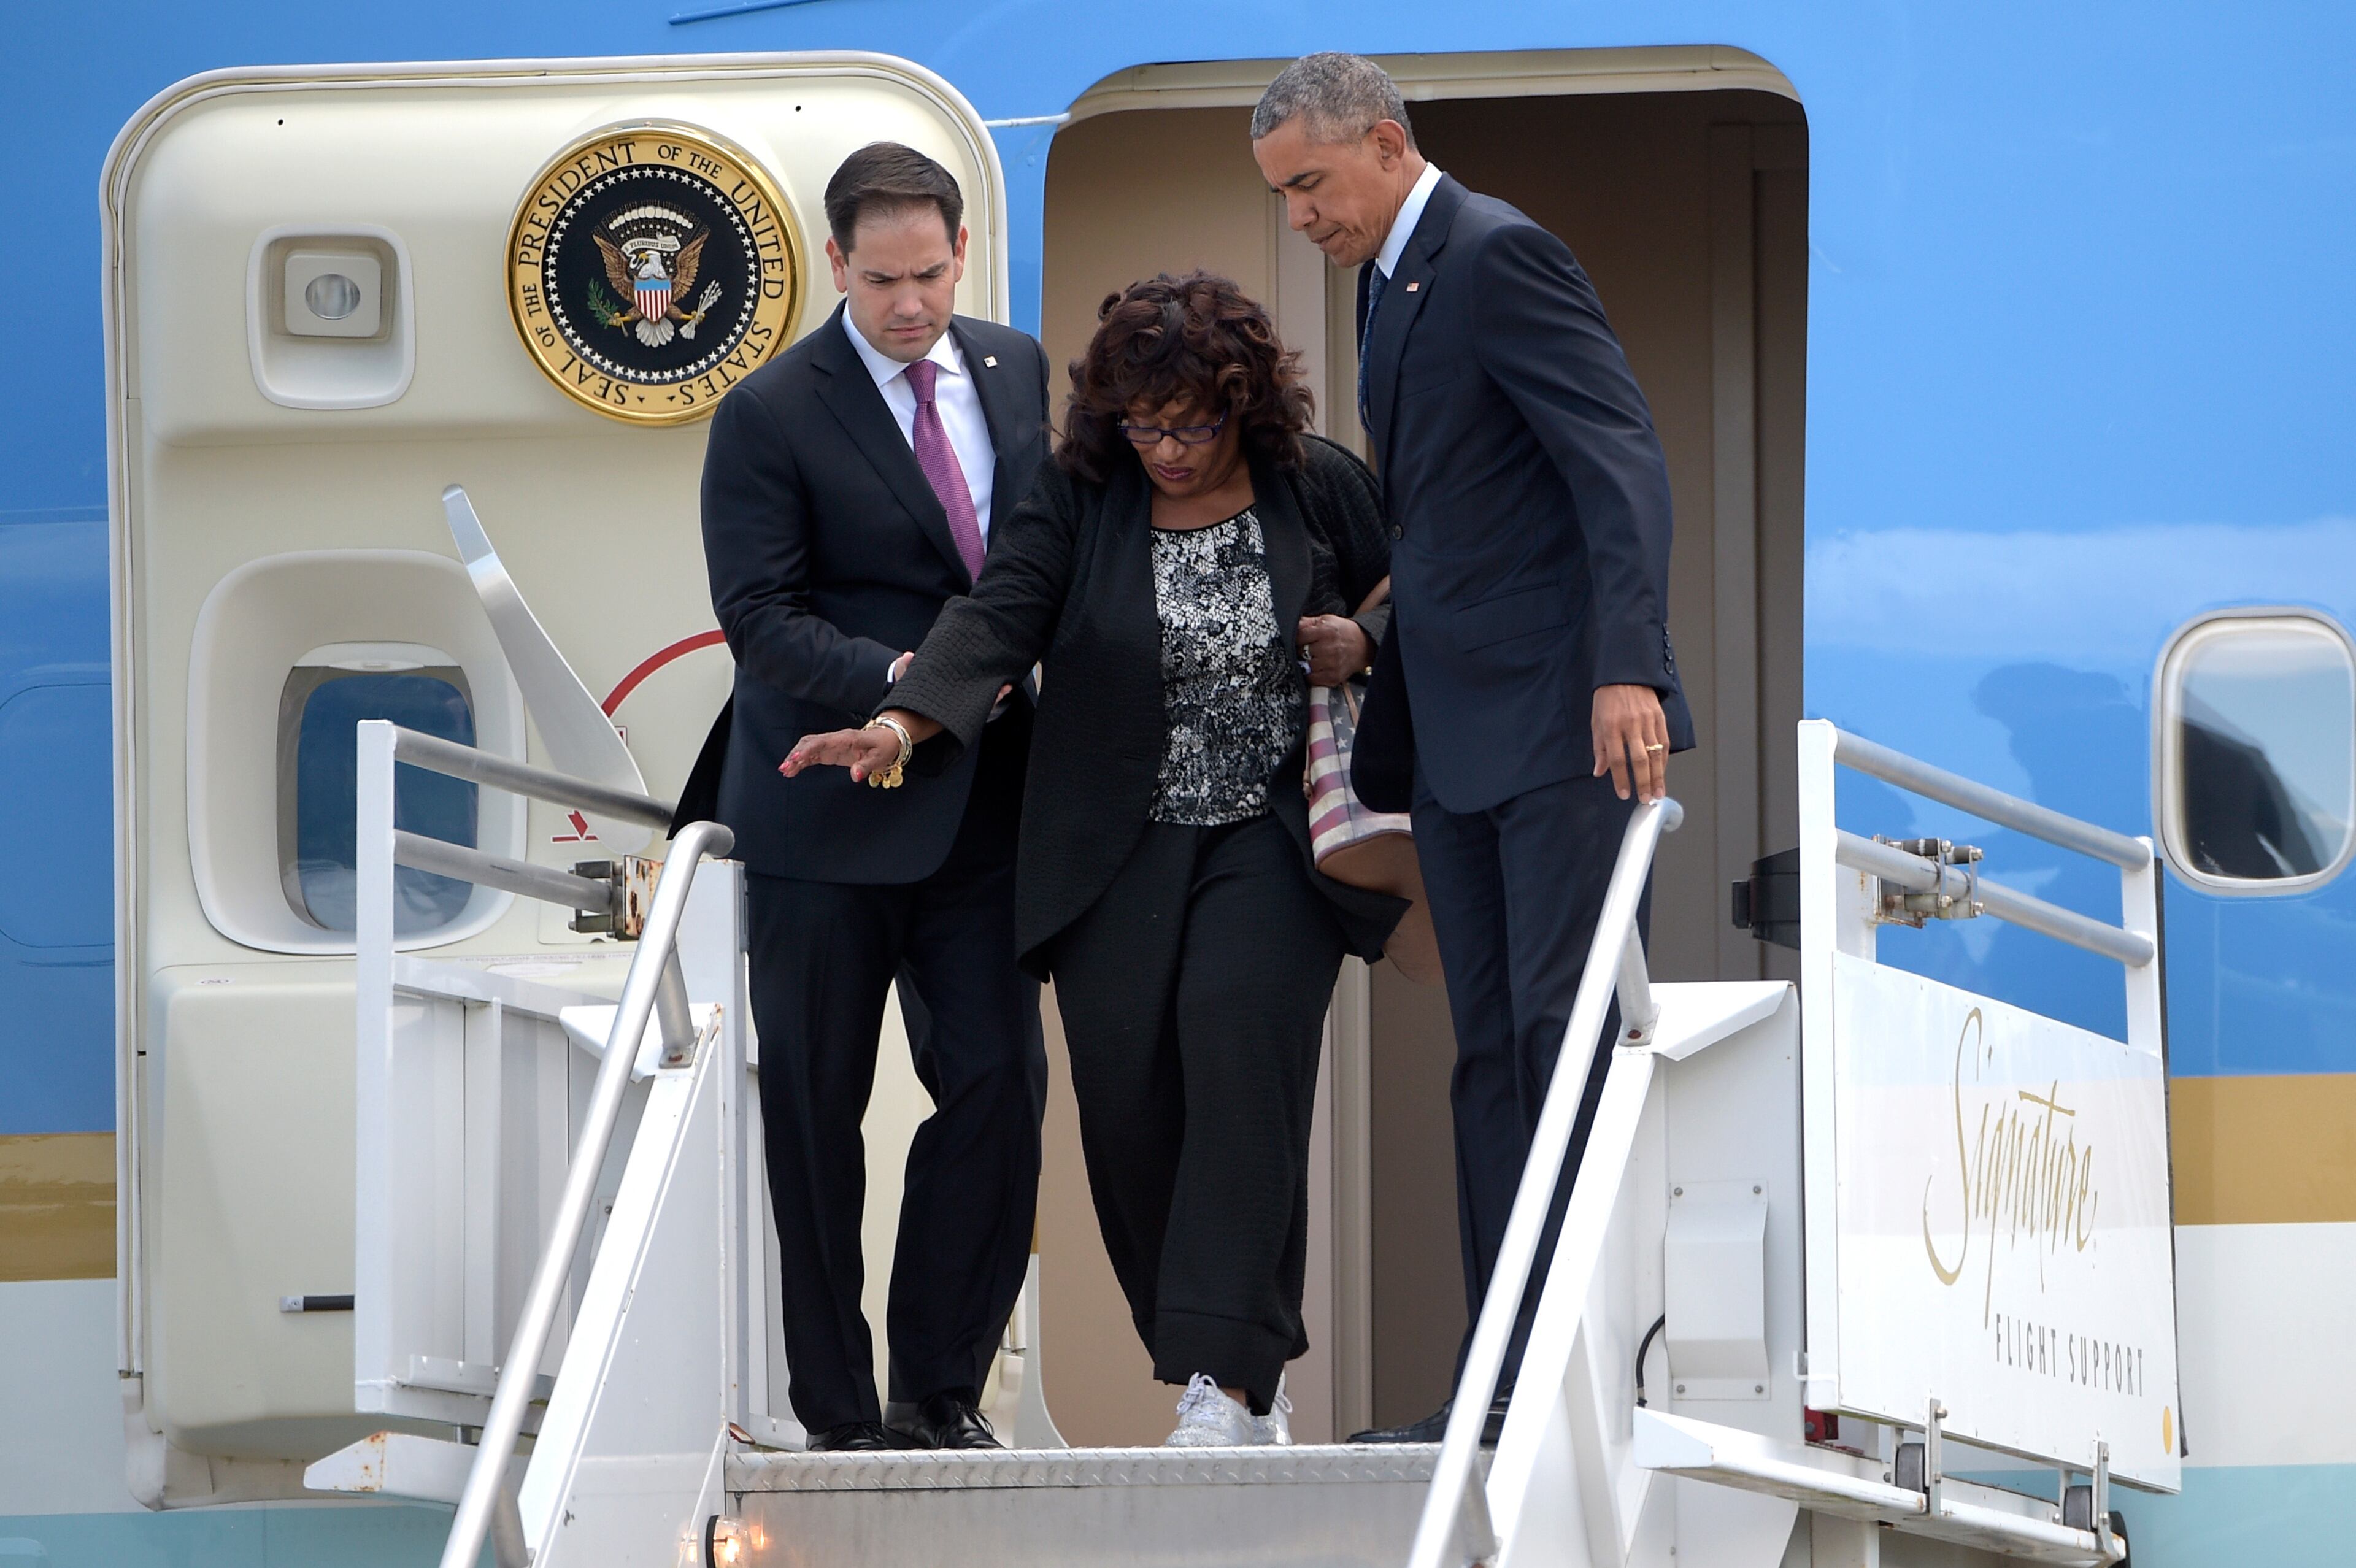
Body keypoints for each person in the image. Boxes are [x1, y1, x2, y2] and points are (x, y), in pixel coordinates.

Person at [784, 272, 1404, 1447]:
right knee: (1130, 1114)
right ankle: (1211, 1362)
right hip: (1111, 849)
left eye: (1191, 424)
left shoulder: (1314, 483)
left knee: (1239, 1067)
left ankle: (1225, 1386)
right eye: (1143, 424)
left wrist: (1362, 634)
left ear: (1244, 408)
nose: (1166, 448)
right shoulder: (1084, 499)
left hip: (1270, 837)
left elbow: (1416, 569)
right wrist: (903, 722)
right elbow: (995, 619)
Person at [1250, 53, 1695, 1445]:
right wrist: (1370, 639)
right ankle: (1498, 1383)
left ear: (1386, 146)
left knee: (1554, 1044)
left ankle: (1554, 1375)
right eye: (1281, 196)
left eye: (1311, 185)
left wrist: (1628, 663)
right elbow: (1458, 517)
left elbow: (1617, 456)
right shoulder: (1391, 282)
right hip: (1455, 739)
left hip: (1560, 725)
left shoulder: (1497, 254)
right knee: (1490, 1059)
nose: (1299, 219)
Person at [676, 142, 1051, 1452]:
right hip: (823, 816)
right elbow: (759, 617)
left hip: (983, 811)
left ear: (961, 254)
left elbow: (1031, 566)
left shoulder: (1014, 371)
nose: (912, 304)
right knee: (817, 1121)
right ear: (838, 264)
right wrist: (913, 680)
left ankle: (938, 1387)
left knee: (999, 1086)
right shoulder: (771, 411)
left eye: (933, 275)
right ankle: (837, 1409)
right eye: (885, 279)